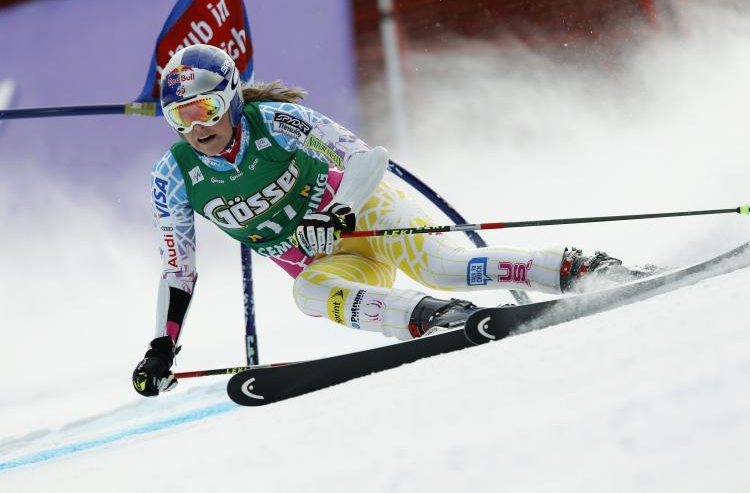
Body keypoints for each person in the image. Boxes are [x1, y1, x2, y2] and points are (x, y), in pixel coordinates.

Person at [132, 44, 633, 397]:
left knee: (441, 265)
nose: (196, 127)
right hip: (326, 258)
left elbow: (367, 159)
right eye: (180, 117)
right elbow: (179, 270)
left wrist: (337, 210)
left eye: (205, 108)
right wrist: (162, 348)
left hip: (366, 216)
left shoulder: (277, 122)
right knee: (308, 294)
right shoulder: (173, 176)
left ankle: (579, 270)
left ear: (232, 98)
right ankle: (434, 317)